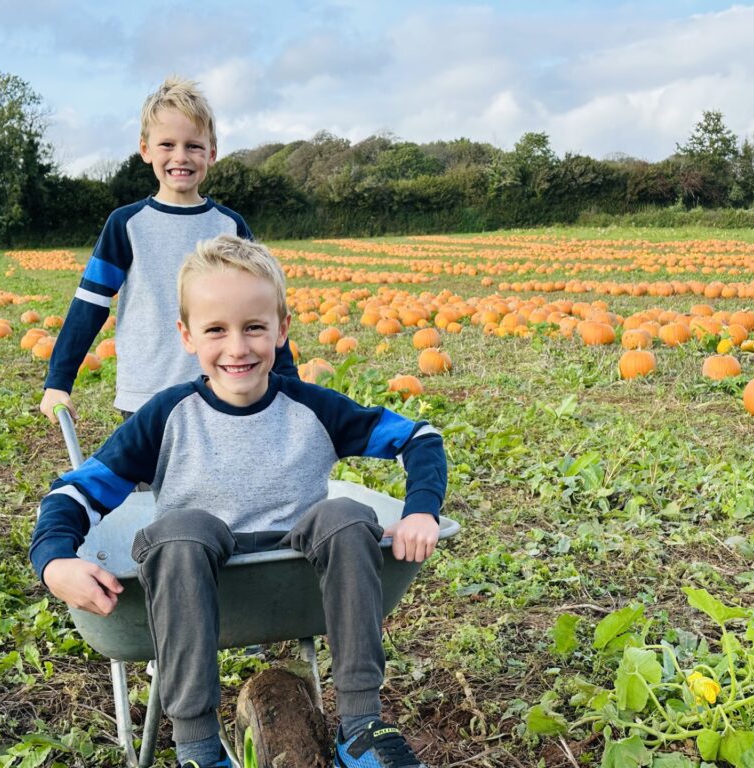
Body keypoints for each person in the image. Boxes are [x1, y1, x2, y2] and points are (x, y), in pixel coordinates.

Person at [30, 235, 446, 768]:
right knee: (181, 530)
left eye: (254, 327)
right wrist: (56, 559)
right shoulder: (165, 416)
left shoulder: (312, 406)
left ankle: (362, 724)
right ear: (186, 336)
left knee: (347, 516)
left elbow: (421, 438)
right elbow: (76, 491)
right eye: (216, 330)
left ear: (282, 329)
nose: (238, 348)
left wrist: (419, 510)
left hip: (301, 555)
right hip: (193, 561)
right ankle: (198, 748)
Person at [39, 76, 296, 422]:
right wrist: (59, 380)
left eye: (193, 146)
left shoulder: (230, 226)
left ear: (212, 153)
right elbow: (90, 307)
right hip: (147, 393)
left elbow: (266, 306)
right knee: (151, 477)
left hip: (222, 387)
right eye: (167, 145)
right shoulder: (127, 225)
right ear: (145, 149)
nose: (181, 156)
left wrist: (290, 385)